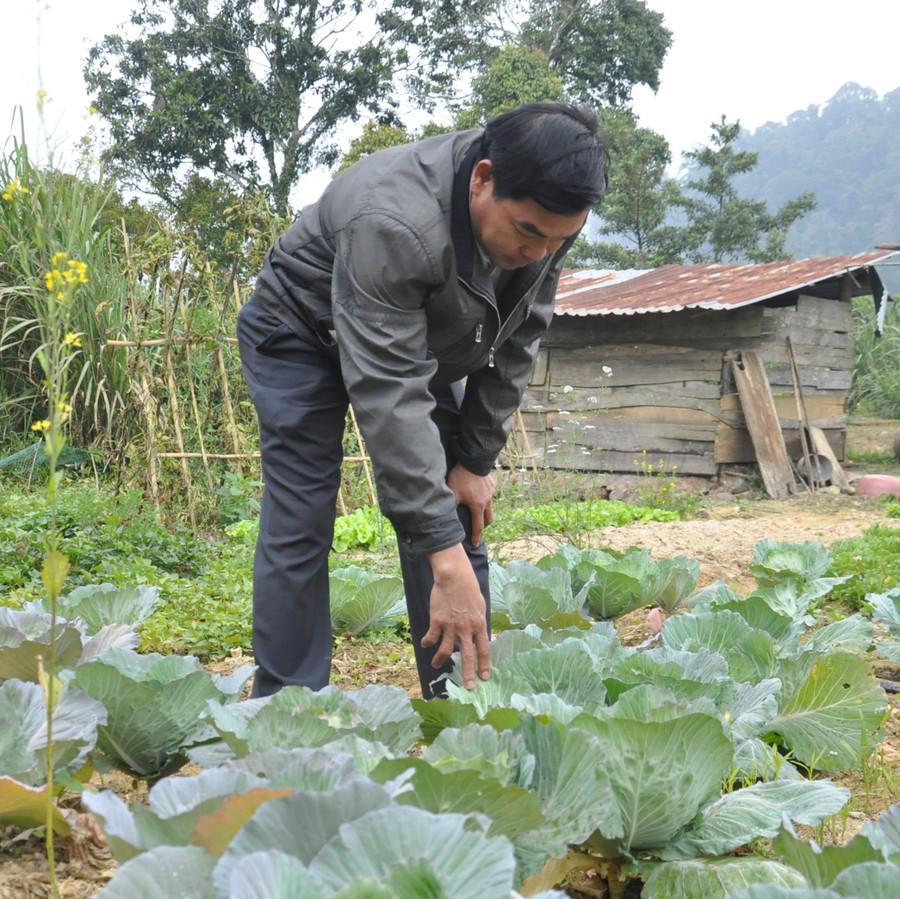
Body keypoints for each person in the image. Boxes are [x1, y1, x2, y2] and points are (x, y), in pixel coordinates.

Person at [237, 101, 609, 699]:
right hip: (300, 329)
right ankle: (287, 708)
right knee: (303, 510)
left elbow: (519, 333)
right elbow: (389, 394)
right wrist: (441, 549)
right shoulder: (395, 219)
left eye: (560, 239)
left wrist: (475, 460)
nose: (541, 253)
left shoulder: (545, 221)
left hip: (418, 335)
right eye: (530, 234)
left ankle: (461, 704)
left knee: (460, 503)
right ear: (482, 179)